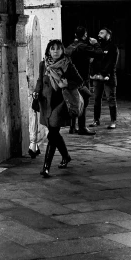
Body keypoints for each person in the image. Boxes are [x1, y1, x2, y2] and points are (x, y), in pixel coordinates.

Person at [32, 39, 84, 178]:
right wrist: (36, 92)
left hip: (61, 102)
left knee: (52, 133)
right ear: (49, 50)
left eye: (59, 49)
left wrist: (66, 85)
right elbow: (39, 80)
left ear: (63, 51)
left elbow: (79, 81)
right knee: (54, 132)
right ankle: (66, 156)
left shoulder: (68, 65)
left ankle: (46, 167)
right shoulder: (43, 65)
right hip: (46, 102)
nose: (55, 51)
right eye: (53, 48)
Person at [65, 26, 102, 136]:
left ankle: (72, 127)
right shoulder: (83, 46)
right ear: (85, 35)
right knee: (83, 102)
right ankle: (82, 128)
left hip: (71, 79)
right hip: (82, 79)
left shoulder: (70, 46)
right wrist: (95, 43)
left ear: (75, 35)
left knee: (74, 101)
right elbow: (99, 54)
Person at [89, 27, 119, 129]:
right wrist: (93, 74)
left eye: (102, 33)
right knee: (97, 99)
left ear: (108, 35)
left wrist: (104, 74)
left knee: (111, 99)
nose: (99, 35)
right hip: (97, 77)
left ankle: (113, 121)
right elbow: (93, 61)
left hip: (108, 77)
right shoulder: (97, 47)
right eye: (99, 33)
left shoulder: (112, 47)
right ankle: (96, 120)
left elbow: (111, 63)